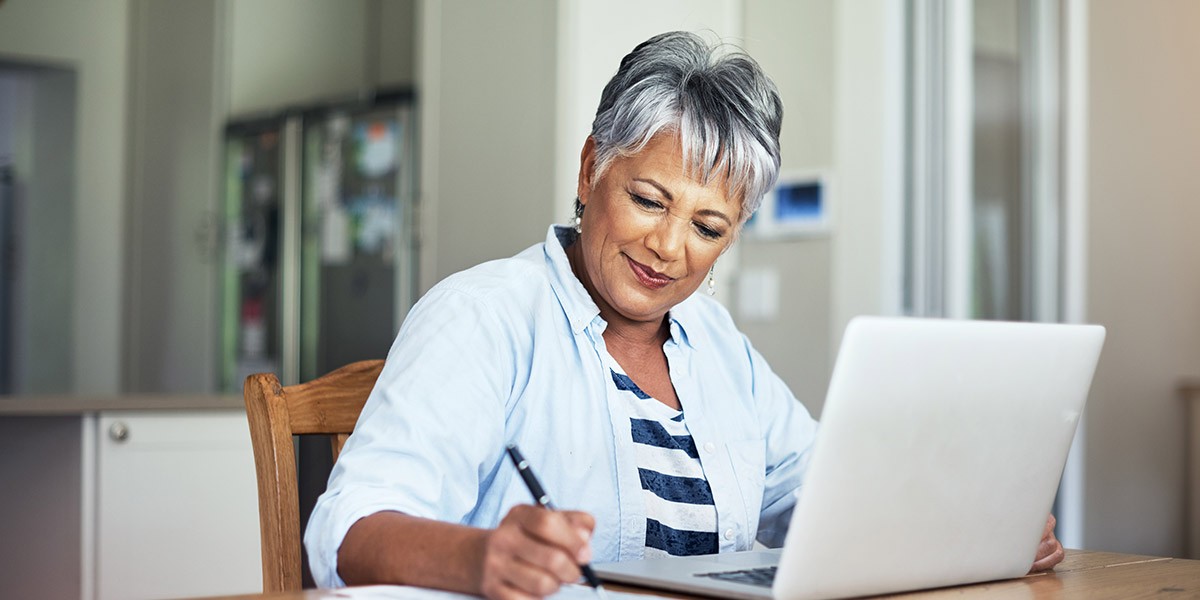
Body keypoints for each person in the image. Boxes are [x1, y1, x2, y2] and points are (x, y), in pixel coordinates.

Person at [305, 31, 1064, 599]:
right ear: (591, 167)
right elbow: (345, 532)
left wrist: (970, 529)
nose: (669, 249)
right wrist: (479, 559)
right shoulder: (483, 318)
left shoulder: (714, 342)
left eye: (708, 227)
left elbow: (818, 496)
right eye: (648, 200)